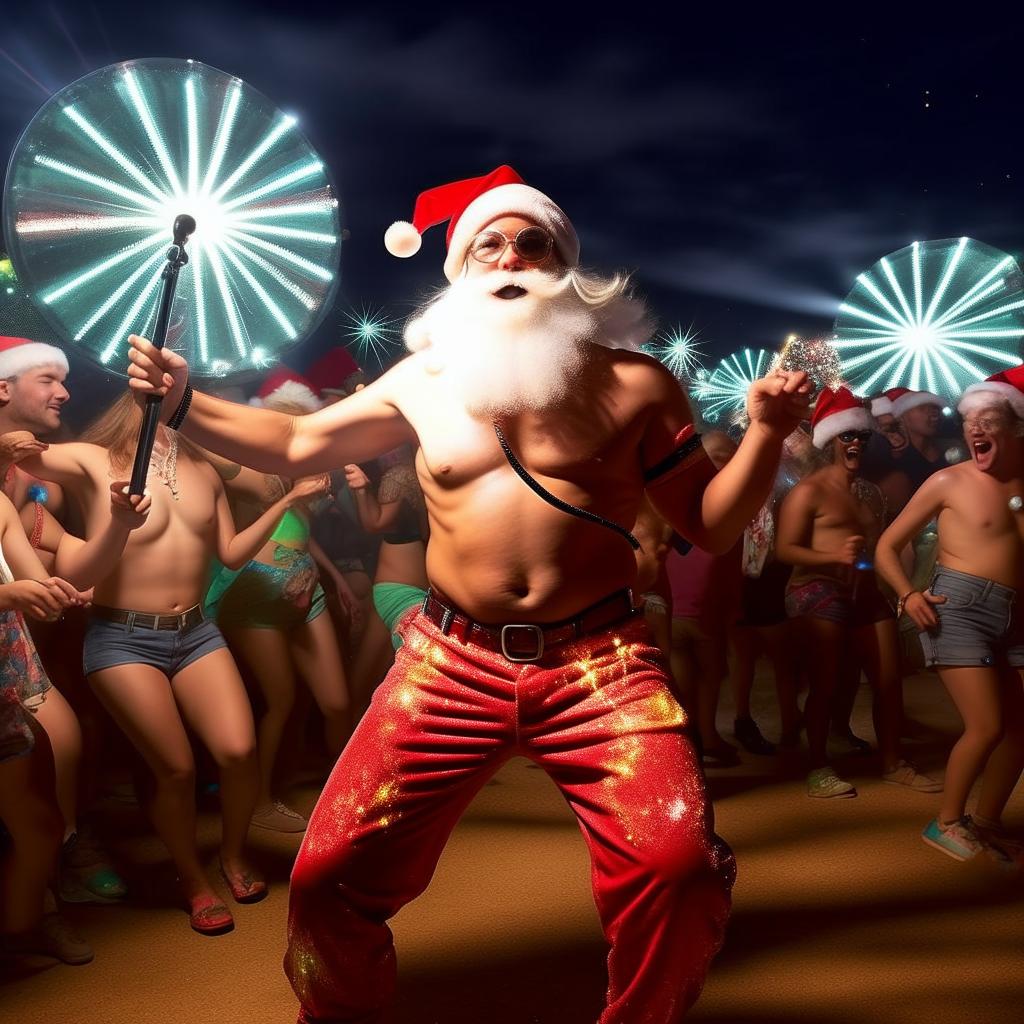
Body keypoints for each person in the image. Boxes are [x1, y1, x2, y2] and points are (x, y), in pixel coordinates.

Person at [128, 163, 810, 1023]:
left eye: (535, 242)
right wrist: (186, 399)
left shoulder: (635, 383)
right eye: (488, 243)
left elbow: (709, 524)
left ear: (568, 269)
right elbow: (300, 440)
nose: (511, 256)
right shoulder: (425, 379)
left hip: (601, 665)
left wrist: (767, 436)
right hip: (449, 662)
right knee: (328, 872)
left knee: (679, 867)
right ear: (460, 271)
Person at [19, 393, 326, 934]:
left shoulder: (206, 472)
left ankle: (232, 857)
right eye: (161, 397)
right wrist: (11, 440)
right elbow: (26, 459)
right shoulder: (96, 460)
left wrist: (287, 501)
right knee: (176, 768)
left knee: (238, 750)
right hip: (121, 639)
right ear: (137, 400)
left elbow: (230, 554)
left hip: (195, 631)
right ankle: (195, 881)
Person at [0, 465, 150, 964]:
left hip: (11, 670)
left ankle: (27, 926)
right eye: (47, 378)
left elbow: (43, 583)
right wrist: (9, 595)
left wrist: (118, 523)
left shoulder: (1, 506)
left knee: (40, 825)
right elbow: (17, 591)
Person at [875, 366, 1024, 866]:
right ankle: (946, 821)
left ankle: (987, 824)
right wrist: (906, 594)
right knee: (986, 725)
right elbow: (887, 546)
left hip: (1019, 611)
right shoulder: (947, 481)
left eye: (988, 419)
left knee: (1020, 728)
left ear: (1016, 426)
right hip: (960, 606)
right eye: (968, 421)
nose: (975, 429)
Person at [0, 335, 126, 905]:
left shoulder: (34, 471)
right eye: (47, 380)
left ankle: (63, 851)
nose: (64, 392)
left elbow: (58, 550)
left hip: (22, 639)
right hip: (18, 623)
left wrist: (119, 528)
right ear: (4, 387)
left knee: (69, 739)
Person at [776, 387, 939, 799]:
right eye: (847, 437)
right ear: (830, 441)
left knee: (888, 679)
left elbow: (884, 545)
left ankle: (892, 763)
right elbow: (784, 549)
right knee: (826, 682)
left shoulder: (871, 493)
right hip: (815, 591)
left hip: (865, 592)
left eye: (862, 438)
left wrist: (904, 587)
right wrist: (829, 552)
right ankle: (818, 767)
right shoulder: (808, 491)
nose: (855, 444)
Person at [209, 370, 351, 833]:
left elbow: (302, 535)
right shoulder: (251, 472)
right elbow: (204, 449)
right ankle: (262, 801)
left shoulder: (314, 473)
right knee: (281, 700)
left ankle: (348, 792)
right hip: (257, 591)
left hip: (304, 591)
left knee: (334, 701)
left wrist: (330, 576)